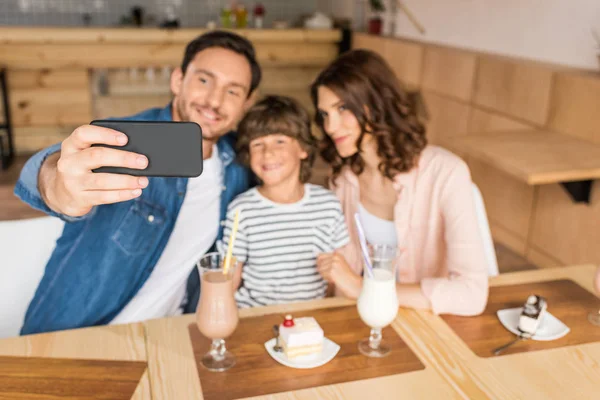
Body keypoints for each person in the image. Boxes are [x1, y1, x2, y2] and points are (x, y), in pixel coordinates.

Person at [14, 31, 261, 334]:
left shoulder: (241, 163)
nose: (214, 101)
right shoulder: (125, 144)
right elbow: (48, 172)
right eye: (204, 80)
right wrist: (58, 186)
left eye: (233, 91)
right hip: (73, 339)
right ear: (177, 80)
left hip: (171, 337)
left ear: (247, 103)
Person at [311, 49, 489, 316]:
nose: (331, 126)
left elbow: (472, 294)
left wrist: (364, 288)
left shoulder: (446, 172)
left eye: (343, 109)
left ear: (377, 104)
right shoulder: (342, 180)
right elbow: (340, 274)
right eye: (324, 114)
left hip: (427, 322)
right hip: (364, 320)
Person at [221, 95, 350, 308]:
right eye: (257, 144)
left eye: (279, 141)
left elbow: (333, 276)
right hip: (254, 316)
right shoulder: (241, 210)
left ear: (303, 149)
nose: (268, 152)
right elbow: (229, 279)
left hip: (309, 319)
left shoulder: (328, 205)